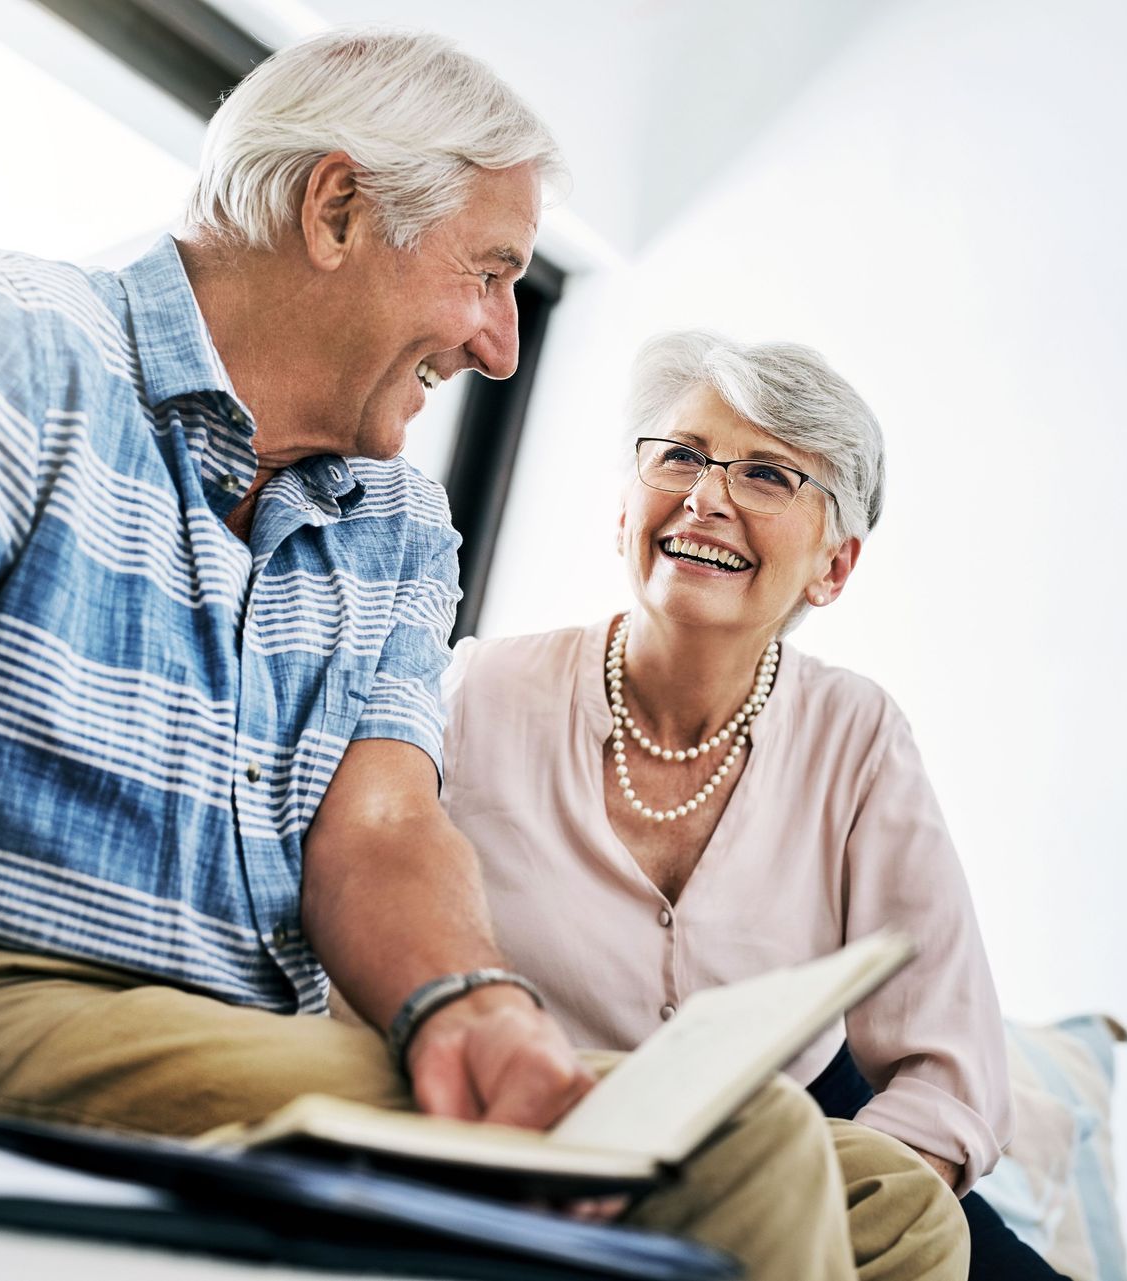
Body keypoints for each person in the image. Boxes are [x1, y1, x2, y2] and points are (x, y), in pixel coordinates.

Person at [0, 29, 966, 1280]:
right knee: (740, 1147)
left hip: (225, 1033)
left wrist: (467, 1005)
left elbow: (382, 826)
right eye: (492, 270)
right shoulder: (26, 335)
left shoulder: (396, 519)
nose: (500, 343)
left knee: (898, 1208)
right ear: (337, 212)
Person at [441, 330, 1063, 1278]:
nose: (706, 496)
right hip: (545, 1147)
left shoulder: (857, 732)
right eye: (680, 455)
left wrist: (822, 1221)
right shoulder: (476, 692)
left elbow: (948, 1064)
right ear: (623, 509)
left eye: (767, 474)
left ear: (834, 566)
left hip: (803, 1131)